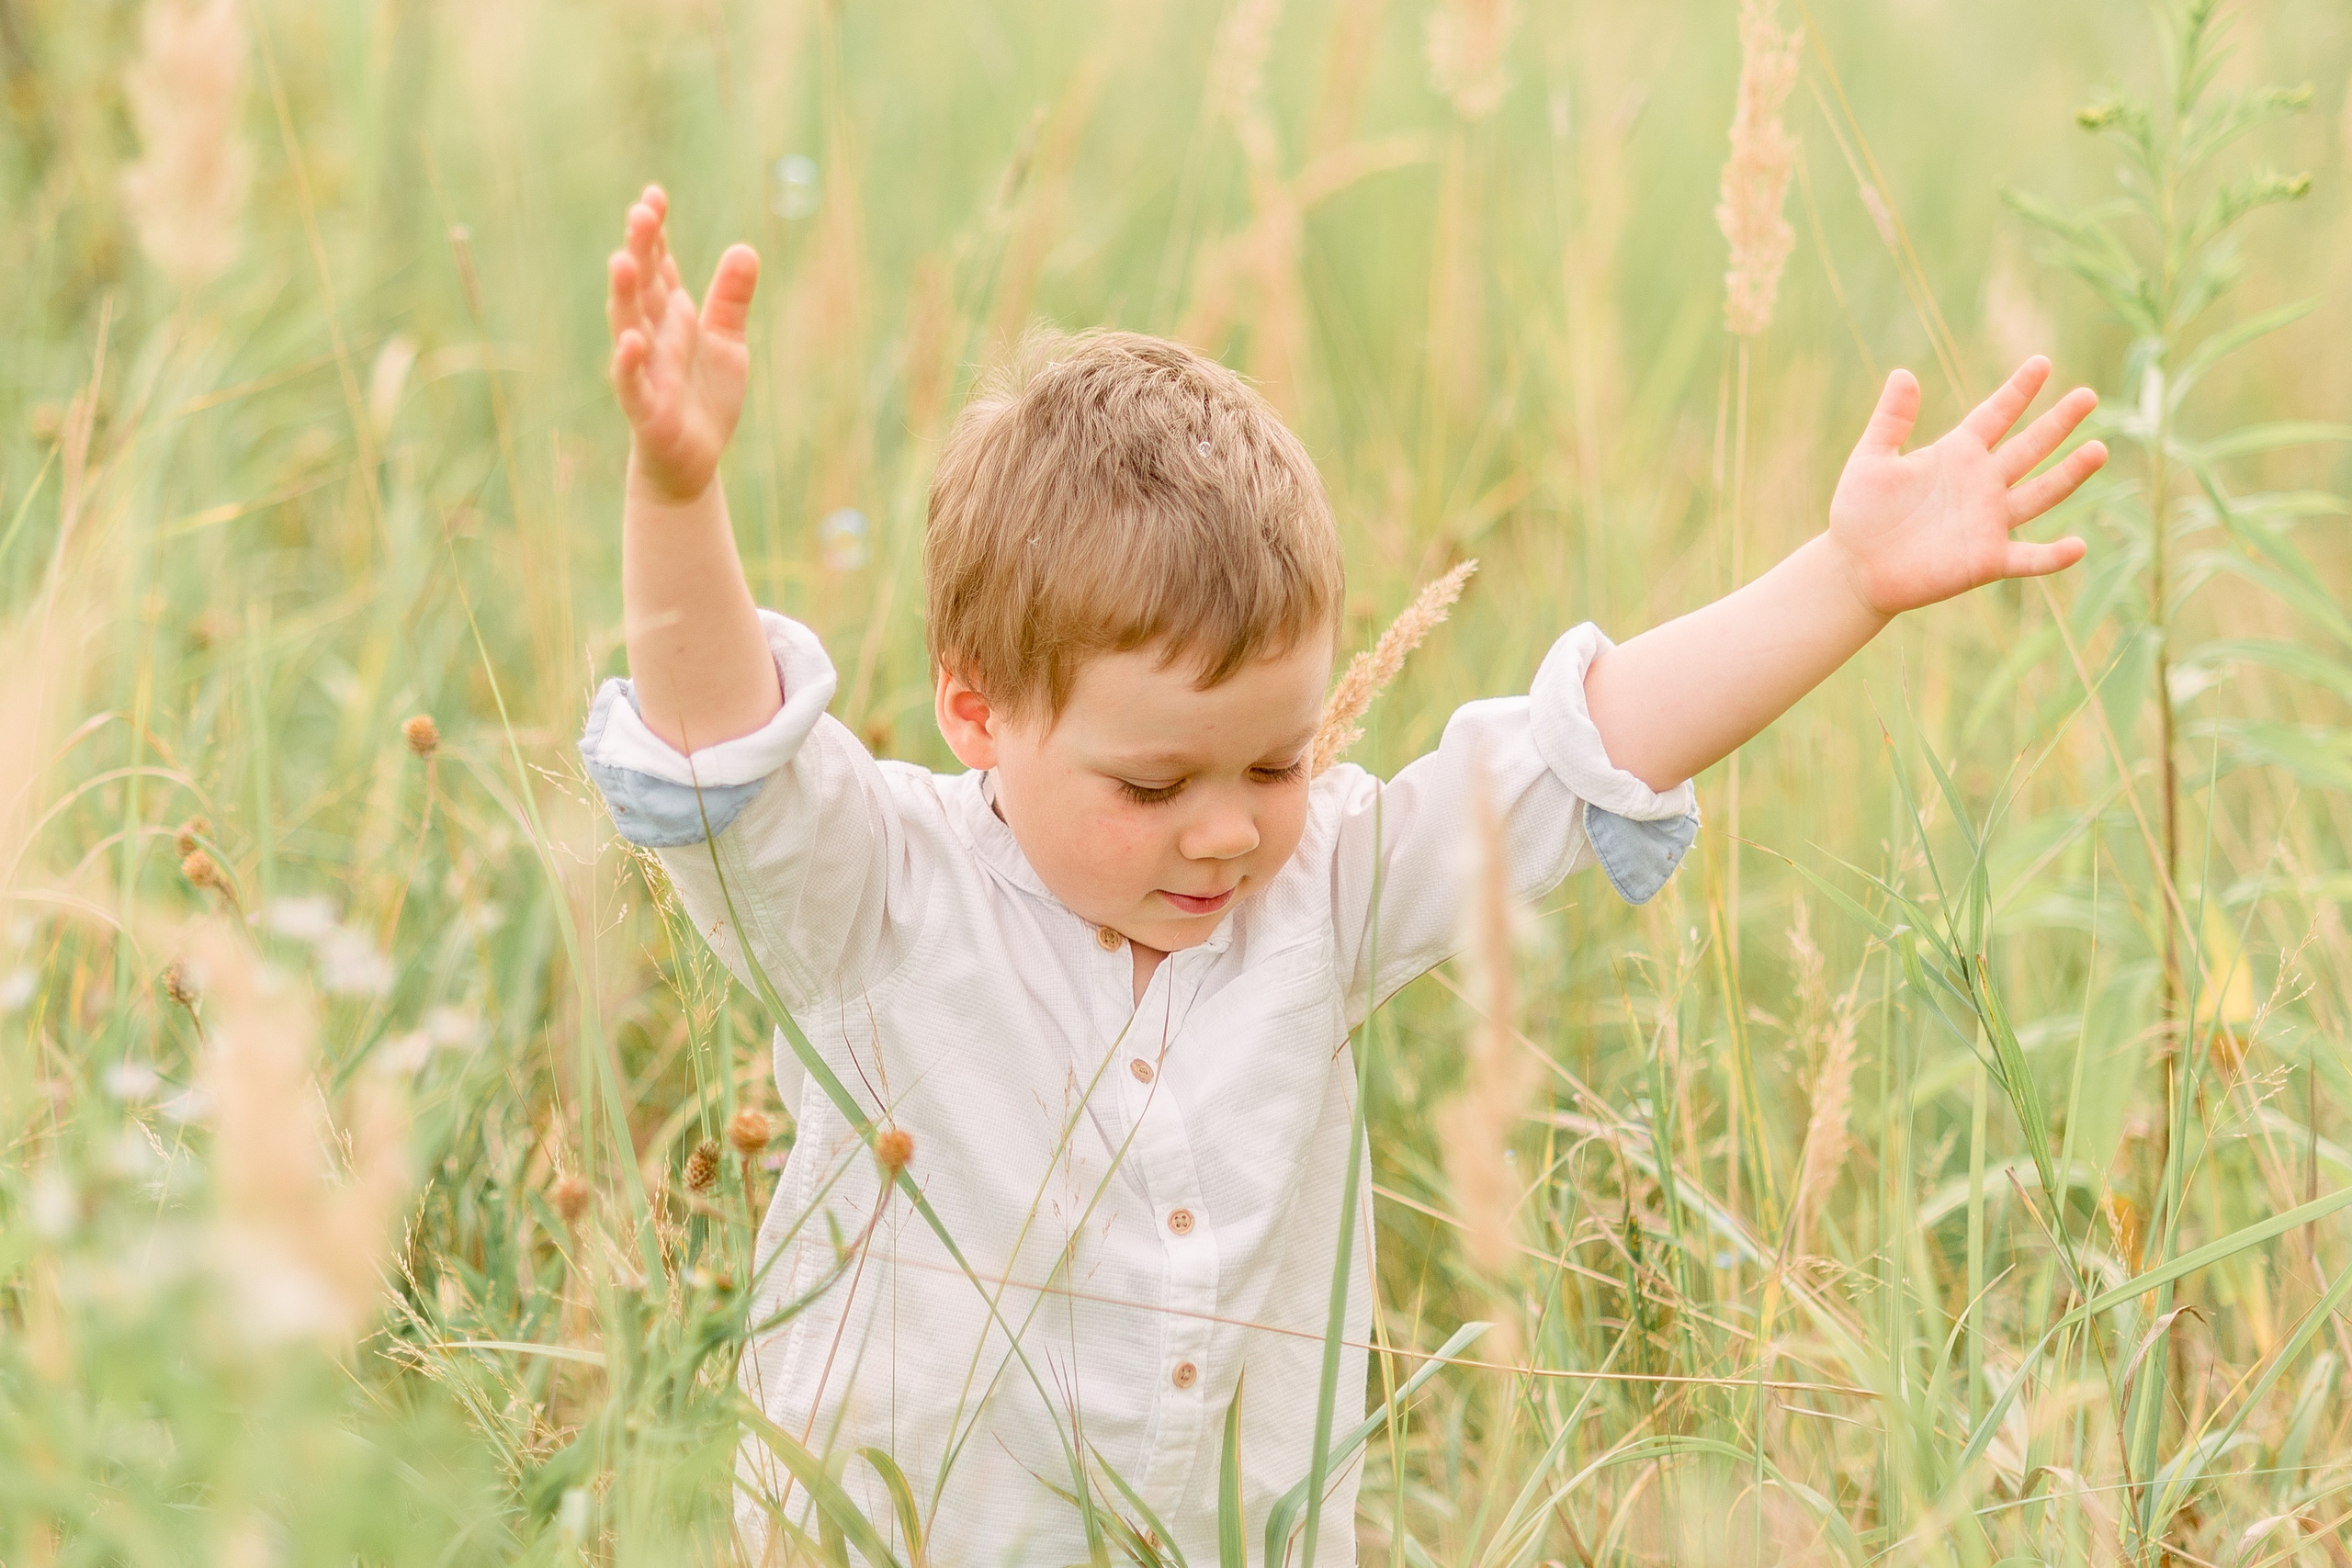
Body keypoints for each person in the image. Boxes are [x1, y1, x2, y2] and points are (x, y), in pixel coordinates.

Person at [579, 185, 2106, 1564]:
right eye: (1153, 782)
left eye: (1278, 762)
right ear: (978, 709)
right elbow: (723, 749)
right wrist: (677, 497)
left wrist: (1845, 582)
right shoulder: (882, 897)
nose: (1229, 833)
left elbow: (1590, 745)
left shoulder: (1326, 895)